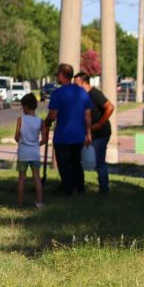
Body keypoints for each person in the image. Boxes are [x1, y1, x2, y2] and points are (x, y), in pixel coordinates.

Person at [45, 63, 92, 195]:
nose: (56, 77)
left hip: (63, 136)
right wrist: (88, 133)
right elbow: (87, 114)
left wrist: (46, 122)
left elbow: (53, 114)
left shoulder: (57, 93)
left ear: (61, 75)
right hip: (78, 135)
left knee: (64, 164)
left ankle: (68, 188)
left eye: (56, 74)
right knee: (76, 162)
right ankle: (80, 188)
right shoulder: (82, 92)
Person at [73, 72, 115, 194]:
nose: (75, 87)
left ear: (84, 83)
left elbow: (110, 107)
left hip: (101, 133)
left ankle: (104, 189)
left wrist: (99, 123)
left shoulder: (94, 94)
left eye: (77, 84)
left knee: (99, 162)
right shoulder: (83, 96)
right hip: (89, 132)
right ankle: (78, 187)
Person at [14, 92, 47, 207]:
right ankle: (40, 201)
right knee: (36, 177)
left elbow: (16, 137)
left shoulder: (20, 120)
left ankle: (20, 203)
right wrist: (35, 144)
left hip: (23, 153)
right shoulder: (40, 122)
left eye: (22, 106)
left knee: (22, 177)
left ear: (26, 106)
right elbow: (44, 139)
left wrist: (23, 142)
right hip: (35, 153)